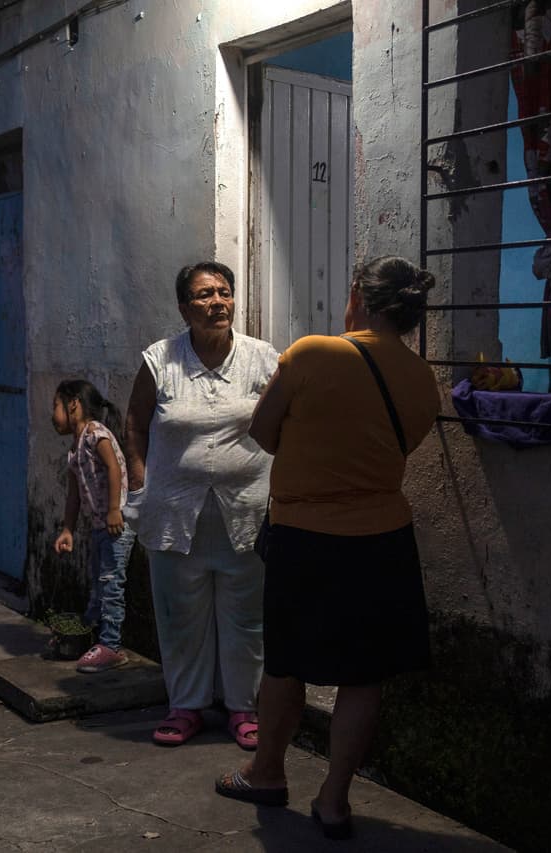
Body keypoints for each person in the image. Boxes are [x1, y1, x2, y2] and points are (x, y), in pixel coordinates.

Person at [214, 256, 441, 841]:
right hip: (384, 540)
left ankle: (266, 772)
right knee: (364, 675)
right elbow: (401, 447)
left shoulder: (313, 352)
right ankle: (335, 801)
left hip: (306, 538)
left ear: (359, 298)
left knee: (287, 665)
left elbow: (263, 435)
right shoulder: (422, 378)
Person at [123, 261, 278, 749]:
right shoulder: (159, 361)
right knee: (179, 615)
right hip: (173, 511)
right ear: (184, 308)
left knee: (246, 617)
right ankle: (186, 706)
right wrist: (140, 485)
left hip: (246, 511)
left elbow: (284, 423)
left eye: (225, 292)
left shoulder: (262, 359)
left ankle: (243, 709)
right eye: (205, 295)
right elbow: (135, 423)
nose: (218, 302)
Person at [51, 379, 136, 674]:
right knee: (99, 586)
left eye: (56, 405)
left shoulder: (96, 434)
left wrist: (115, 510)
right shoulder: (75, 449)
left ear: (73, 404)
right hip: (99, 527)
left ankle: (111, 646)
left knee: (111, 585)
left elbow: (113, 466)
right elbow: (74, 494)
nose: (53, 414)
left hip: (116, 526)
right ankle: (88, 636)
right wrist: (67, 530)